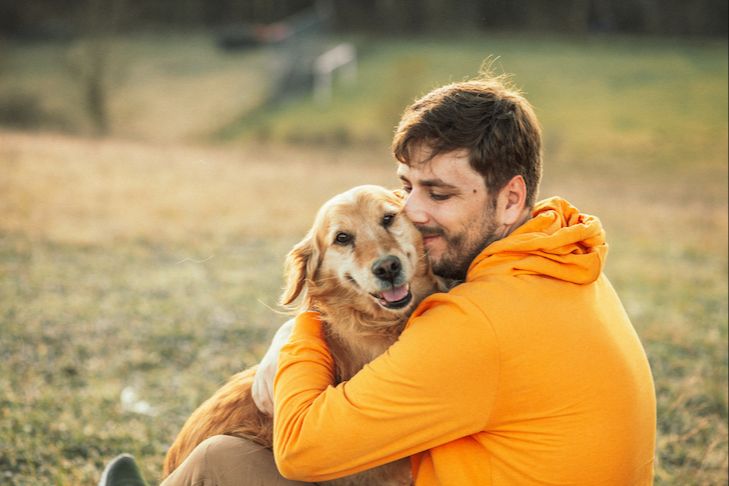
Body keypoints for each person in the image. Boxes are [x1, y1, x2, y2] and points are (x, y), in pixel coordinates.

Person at [100, 73, 656, 485]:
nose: (412, 213)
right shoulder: (563, 257)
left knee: (219, 464)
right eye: (407, 187)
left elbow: (300, 448)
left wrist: (299, 336)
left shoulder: (474, 326)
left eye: (437, 194)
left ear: (511, 198)